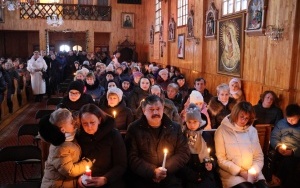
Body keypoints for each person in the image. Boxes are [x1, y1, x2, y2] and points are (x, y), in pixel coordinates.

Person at [125, 95, 190, 188]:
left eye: (158, 108)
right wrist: (153, 172)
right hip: (144, 178)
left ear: (163, 108)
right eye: (151, 109)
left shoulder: (175, 127)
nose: (155, 112)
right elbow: (131, 157)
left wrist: (164, 170)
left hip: (170, 176)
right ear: (144, 110)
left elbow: (184, 153)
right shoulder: (134, 129)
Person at [215, 102, 268, 188]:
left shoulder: (252, 131)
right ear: (235, 114)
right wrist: (240, 172)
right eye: (242, 117)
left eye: (247, 118)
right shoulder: (221, 131)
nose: (243, 121)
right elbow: (221, 160)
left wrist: (254, 170)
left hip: (253, 173)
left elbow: (258, 156)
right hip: (232, 174)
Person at [38, 108, 94, 188]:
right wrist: (88, 162)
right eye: (71, 122)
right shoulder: (60, 148)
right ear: (63, 129)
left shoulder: (69, 136)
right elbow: (69, 171)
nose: (74, 122)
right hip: (56, 185)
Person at [76, 104, 127, 187]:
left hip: (110, 181)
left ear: (99, 120)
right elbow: (75, 163)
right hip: (86, 182)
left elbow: (121, 165)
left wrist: (105, 179)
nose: (89, 127)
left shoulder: (113, 134)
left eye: (92, 122)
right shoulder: (79, 136)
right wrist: (80, 178)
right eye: (85, 123)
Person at [180, 103, 221, 188]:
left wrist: (211, 164)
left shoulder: (206, 136)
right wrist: (192, 175)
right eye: (189, 122)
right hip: (187, 174)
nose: (192, 125)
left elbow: (213, 155)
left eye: (195, 122)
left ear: (199, 122)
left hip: (205, 172)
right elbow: (180, 159)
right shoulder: (182, 136)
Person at [270, 104, 300, 188]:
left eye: (293, 119)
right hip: (281, 148)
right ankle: (272, 179)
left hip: (295, 152)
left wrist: (293, 152)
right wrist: (278, 147)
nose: (290, 121)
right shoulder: (281, 123)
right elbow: (274, 137)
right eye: (288, 119)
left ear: (298, 116)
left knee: (288, 163)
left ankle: (281, 183)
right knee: (274, 159)